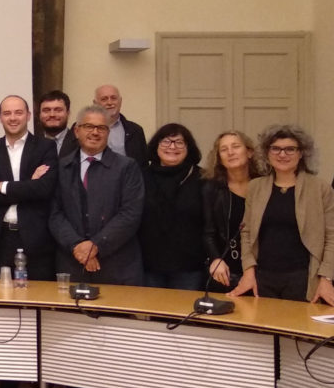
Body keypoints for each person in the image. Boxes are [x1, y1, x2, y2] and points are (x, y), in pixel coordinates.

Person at [229, 124, 334, 305]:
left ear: (301, 153)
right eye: (276, 149)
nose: (282, 154)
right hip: (263, 278)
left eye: (290, 149)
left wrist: (326, 278)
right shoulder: (256, 187)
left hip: (304, 278)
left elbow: (332, 237)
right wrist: (248, 271)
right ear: (267, 153)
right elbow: (246, 233)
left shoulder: (320, 188)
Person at [50, 104, 145, 285]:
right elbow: (55, 214)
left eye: (101, 128)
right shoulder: (61, 167)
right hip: (72, 263)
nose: (95, 132)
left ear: (108, 133)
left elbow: (130, 214)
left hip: (117, 266)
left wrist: (95, 246)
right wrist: (77, 246)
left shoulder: (127, 167)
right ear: (77, 131)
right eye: (88, 126)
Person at [0, 95, 58, 282]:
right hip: (0, 239)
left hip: (36, 239)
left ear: (28, 115)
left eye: (18, 113)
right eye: (7, 113)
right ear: (0, 118)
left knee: (37, 295)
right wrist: (30, 184)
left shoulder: (45, 147)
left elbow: (44, 189)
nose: (13, 118)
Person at [138, 123, 206, 290]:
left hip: (189, 266)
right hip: (150, 264)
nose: (172, 147)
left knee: (185, 307)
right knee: (152, 307)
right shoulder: (141, 176)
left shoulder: (202, 178)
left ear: (189, 147)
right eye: (166, 141)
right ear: (156, 146)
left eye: (179, 142)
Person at [201, 130, 260, 291]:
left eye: (236, 146)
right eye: (224, 149)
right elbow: (208, 231)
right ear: (219, 158)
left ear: (249, 152)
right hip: (225, 268)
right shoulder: (212, 188)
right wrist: (215, 259)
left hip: (261, 268)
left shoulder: (264, 185)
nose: (230, 152)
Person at [93, 84, 149, 166]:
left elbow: (143, 165)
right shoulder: (83, 128)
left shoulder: (135, 130)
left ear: (120, 101)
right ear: (95, 103)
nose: (109, 103)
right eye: (104, 99)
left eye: (113, 98)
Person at [38, 89, 77, 158]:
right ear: (39, 114)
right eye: (46, 110)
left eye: (58, 110)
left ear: (68, 113)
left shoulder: (80, 144)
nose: (52, 115)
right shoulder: (31, 144)